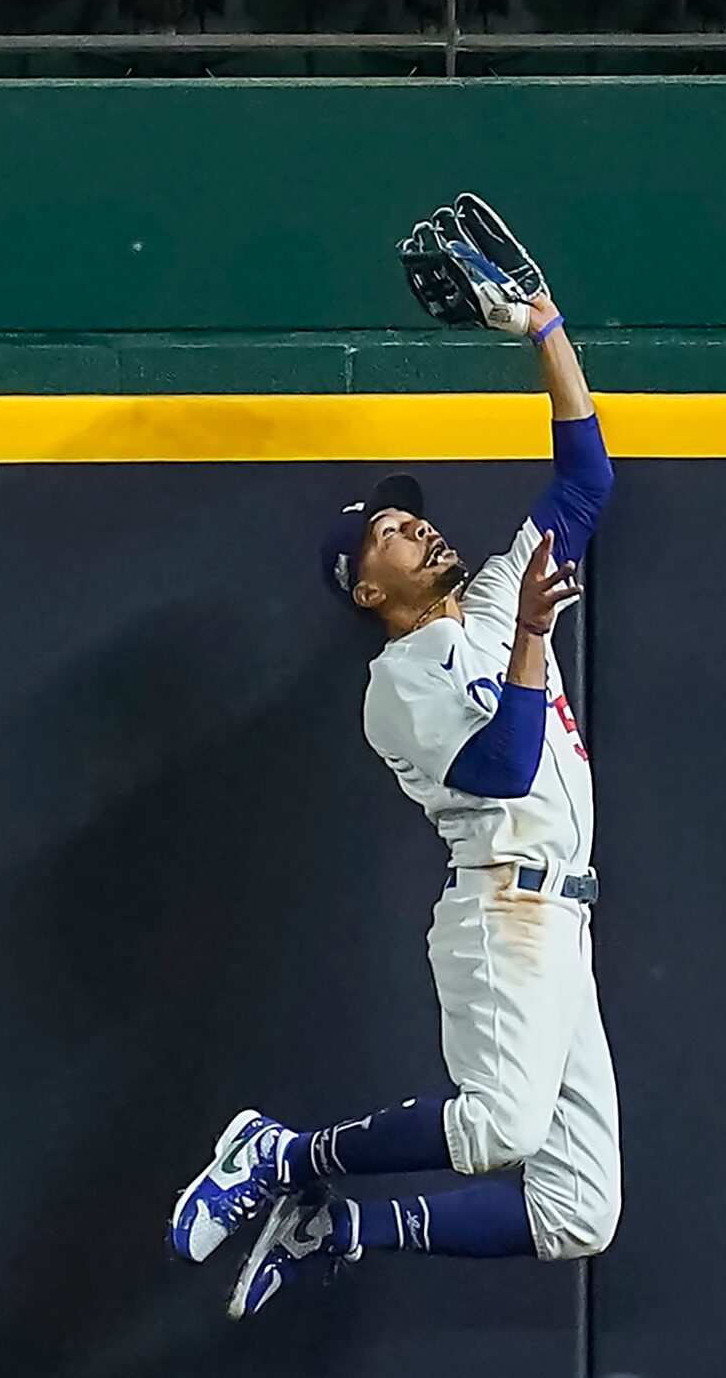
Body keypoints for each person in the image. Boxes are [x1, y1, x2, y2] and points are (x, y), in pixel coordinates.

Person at [167, 250, 619, 1319]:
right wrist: (531, 641)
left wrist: (548, 333)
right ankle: (284, 1152)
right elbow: (506, 769)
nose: (416, 524)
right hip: (502, 906)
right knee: (497, 1131)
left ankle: (337, 1225)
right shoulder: (398, 683)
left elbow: (588, 479)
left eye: (411, 516)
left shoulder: (503, 591)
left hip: (567, 914)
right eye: (389, 530)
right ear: (369, 587)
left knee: (579, 1212)